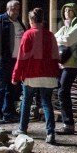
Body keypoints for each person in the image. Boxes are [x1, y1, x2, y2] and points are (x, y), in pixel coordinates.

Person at [12, 8, 59, 143]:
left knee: (26, 102)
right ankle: (50, 134)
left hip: (31, 75)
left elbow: (22, 58)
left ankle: (22, 129)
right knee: (47, 104)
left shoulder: (28, 35)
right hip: (49, 75)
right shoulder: (50, 35)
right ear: (42, 19)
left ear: (31, 20)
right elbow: (56, 57)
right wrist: (56, 74)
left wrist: (15, 76)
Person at [0, 0, 25, 124]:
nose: (16, 11)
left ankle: (8, 113)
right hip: (2, 60)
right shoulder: (0, 20)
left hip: (15, 61)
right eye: (13, 9)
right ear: (7, 8)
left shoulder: (19, 23)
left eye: (18, 9)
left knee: (12, 88)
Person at [54, 2, 77, 135]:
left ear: (75, 12)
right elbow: (54, 38)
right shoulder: (65, 27)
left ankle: (69, 124)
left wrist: (61, 39)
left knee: (63, 92)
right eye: (65, 10)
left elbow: (67, 40)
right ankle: (68, 123)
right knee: (62, 92)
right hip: (62, 64)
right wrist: (62, 39)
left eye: (70, 10)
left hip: (72, 64)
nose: (67, 13)